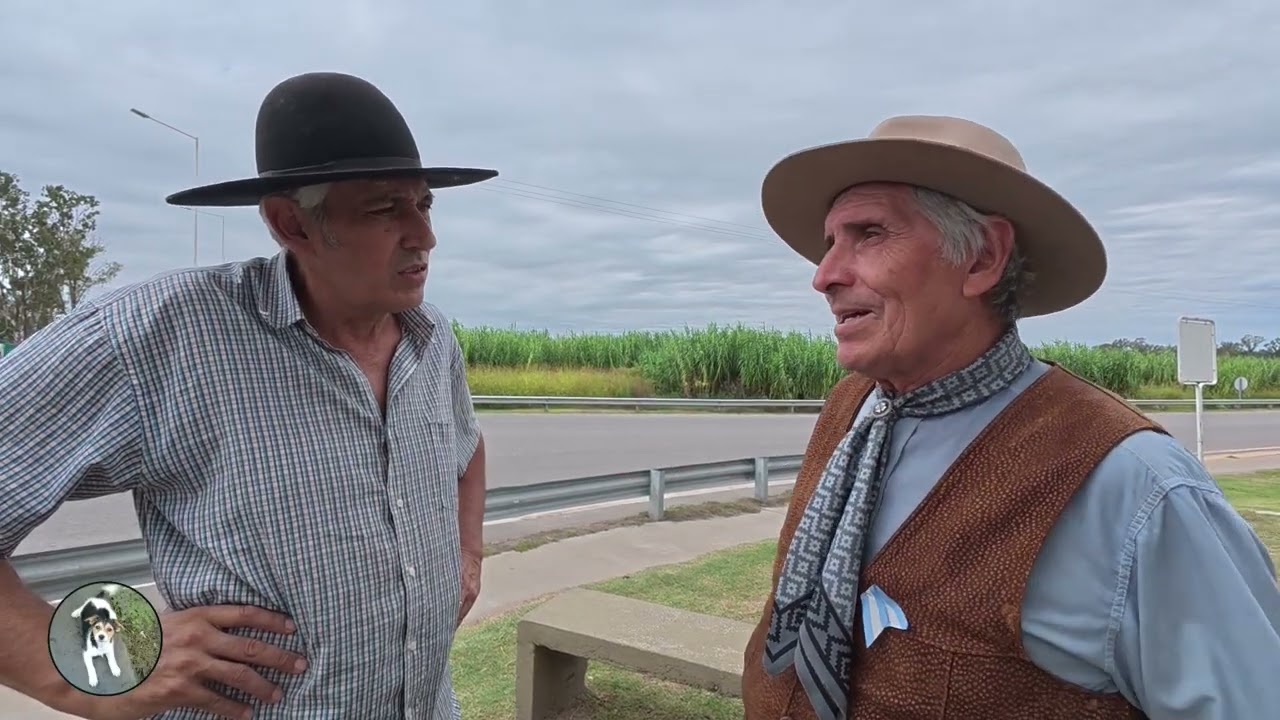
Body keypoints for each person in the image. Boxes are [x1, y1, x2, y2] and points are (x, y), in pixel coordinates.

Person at [740, 115, 1280, 719]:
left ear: (982, 260)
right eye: (829, 242)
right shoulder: (850, 411)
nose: (824, 276)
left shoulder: (1134, 484)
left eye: (868, 233)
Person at [0, 71, 497, 720]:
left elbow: (466, 449)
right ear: (293, 223)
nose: (424, 236)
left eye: (424, 204)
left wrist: (466, 553)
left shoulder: (432, 342)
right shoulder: (158, 336)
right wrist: (99, 667)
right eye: (384, 209)